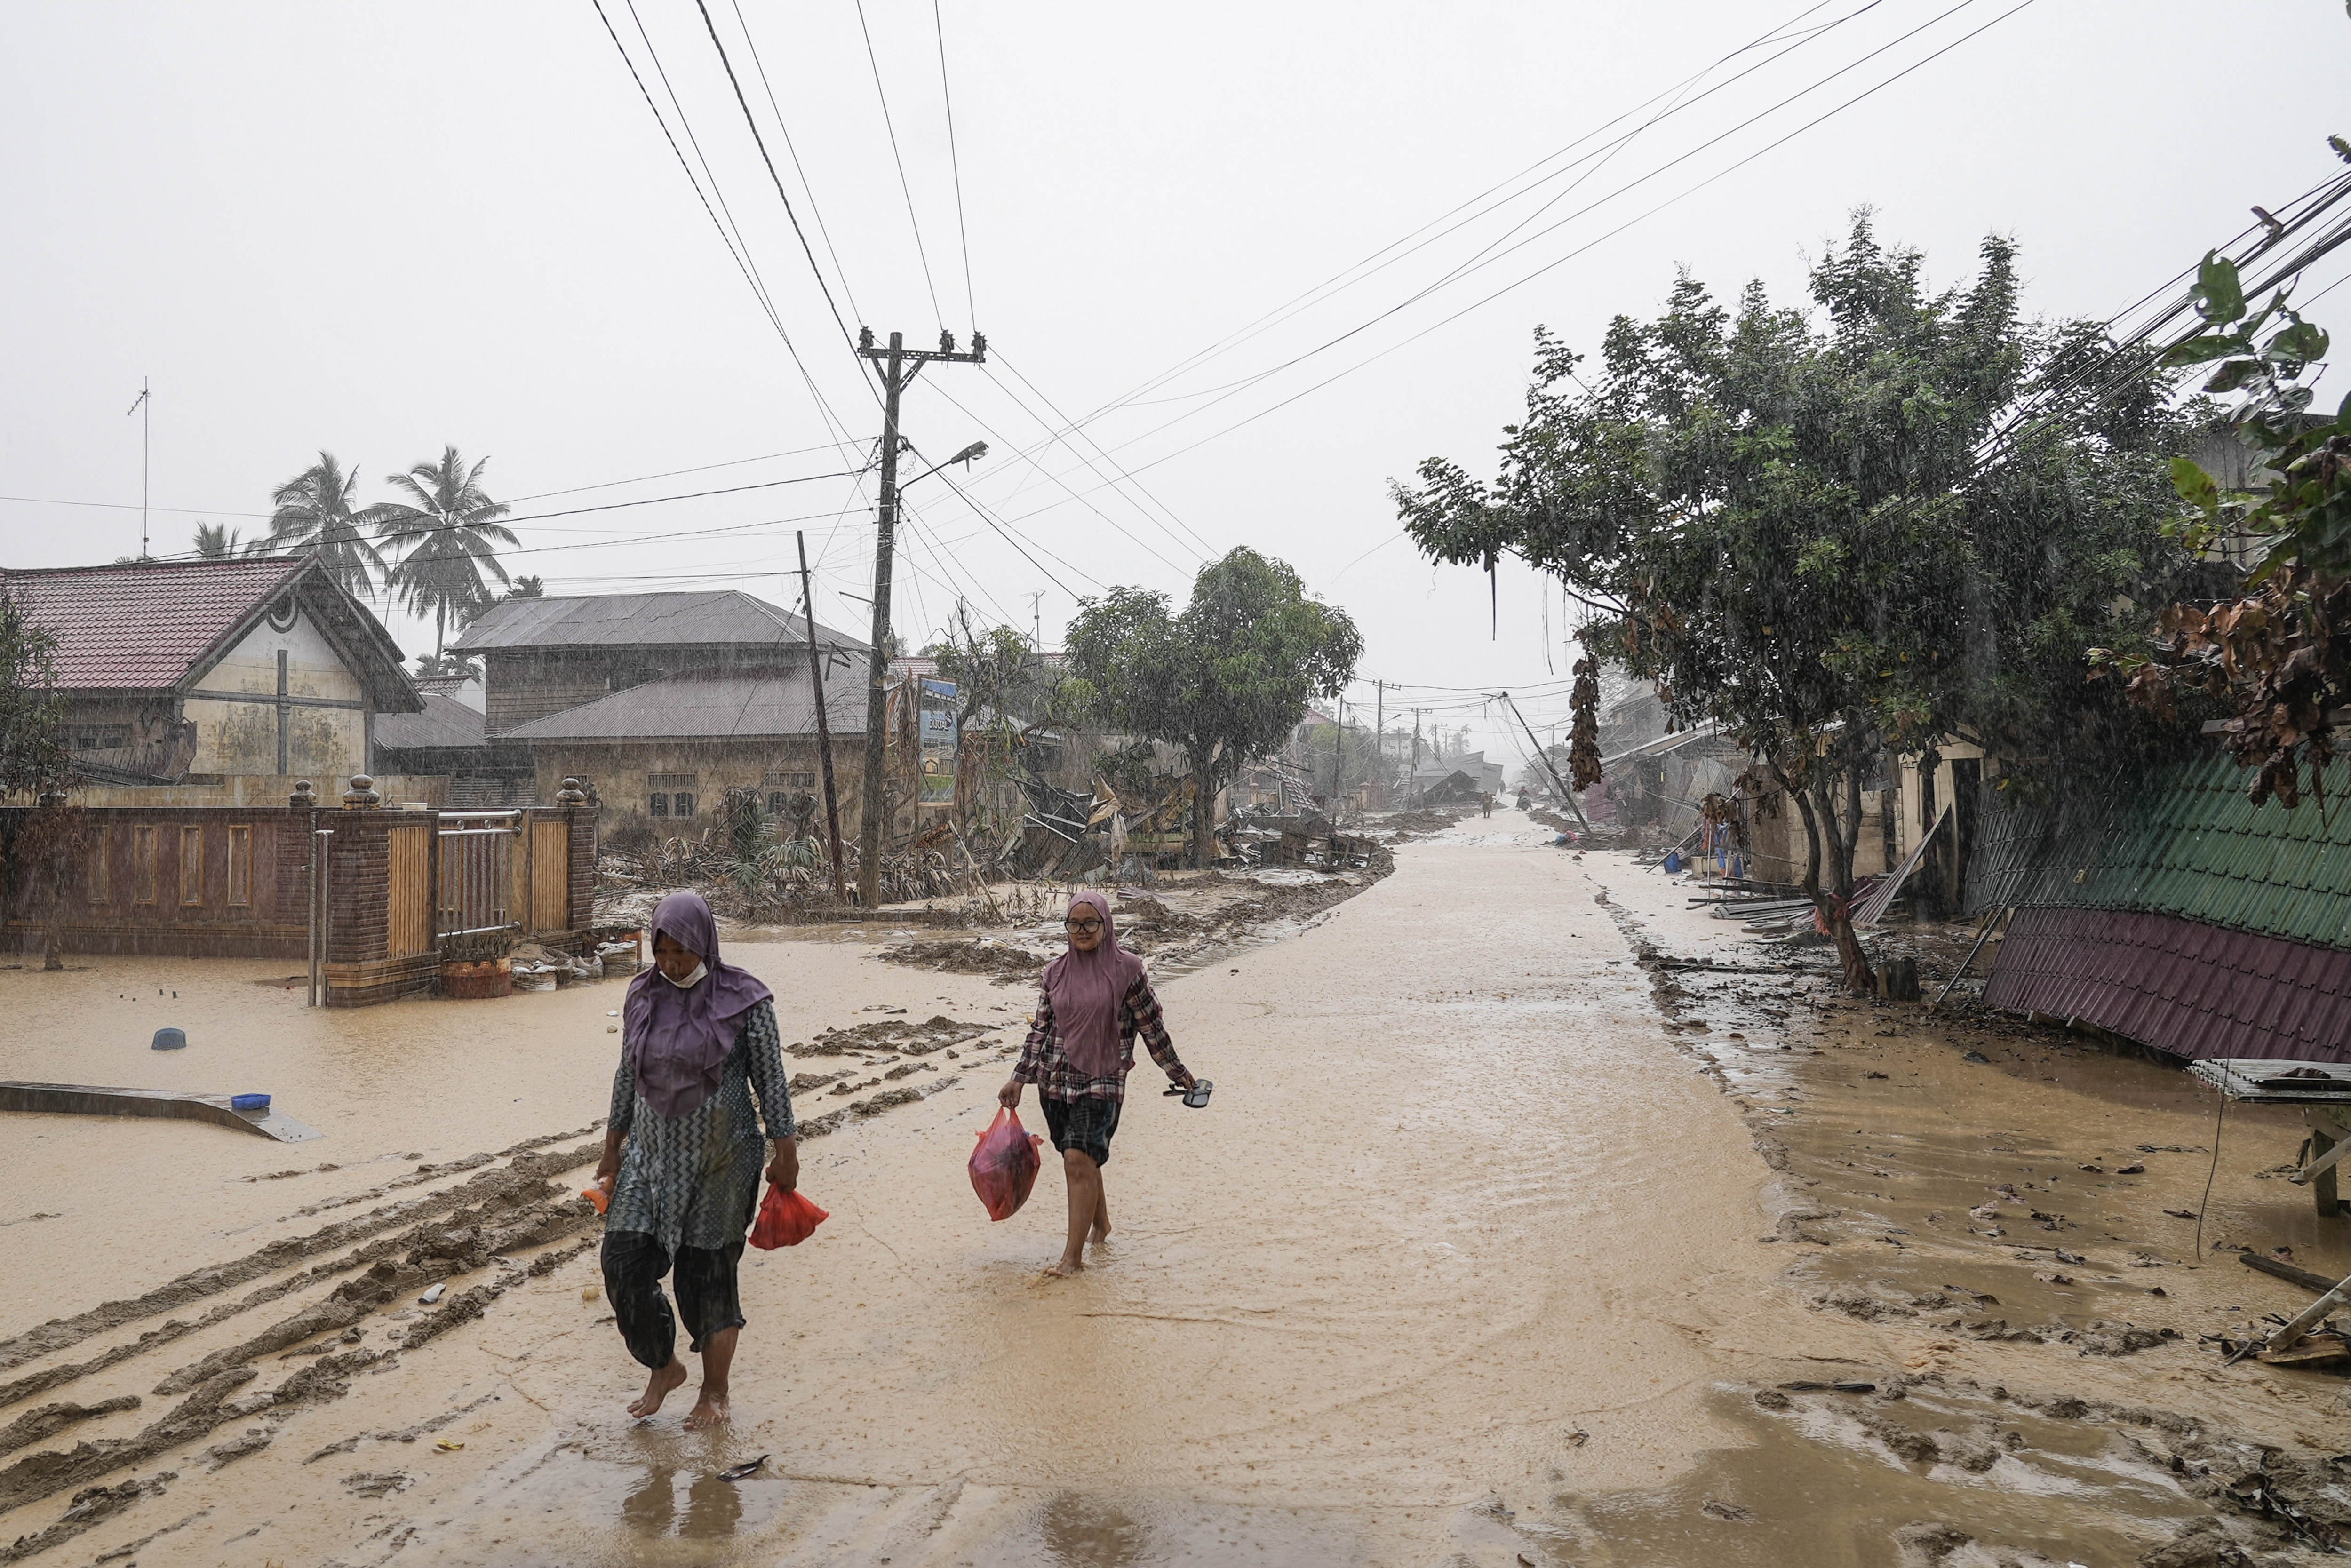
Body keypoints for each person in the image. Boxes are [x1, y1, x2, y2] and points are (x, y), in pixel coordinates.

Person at [593, 891, 795, 1429]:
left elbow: (770, 1081)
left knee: (705, 1280)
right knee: (622, 1265)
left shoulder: (746, 1000)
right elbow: (626, 1075)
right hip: (650, 1159)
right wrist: (612, 1153)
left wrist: (785, 1151)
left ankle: (715, 1393)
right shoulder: (642, 994)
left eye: (681, 952)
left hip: (721, 1163)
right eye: (661, 953)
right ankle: (663, 1365)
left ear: (705, 943)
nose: (671, 964)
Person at [999, 891, 1194, 1277]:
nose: (1082, 931)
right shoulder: (1053, 973)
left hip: (1103, 1078)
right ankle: (1101, 1225)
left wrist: (1178, 1072)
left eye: (1091, 923)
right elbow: (1041, 1029)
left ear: (1106, 925)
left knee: (1077, 1158)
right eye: (1074, 923)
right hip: (1054, 1080)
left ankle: (1072, 1260)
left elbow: (1151, 1027)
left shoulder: (1128, 970)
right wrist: (1020, 1076)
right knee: (1081, 1158)